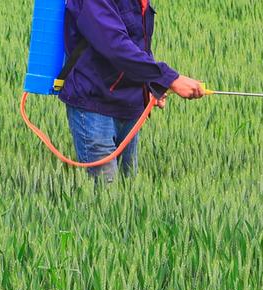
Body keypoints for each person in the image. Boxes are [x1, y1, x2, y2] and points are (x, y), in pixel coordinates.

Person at [60, 0, 204, 182]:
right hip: (94, 105)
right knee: (105, 195)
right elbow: (115, 45)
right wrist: (169, 78)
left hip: (130, 103)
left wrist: (151, 84)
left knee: (128, 190)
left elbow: (137, 45)